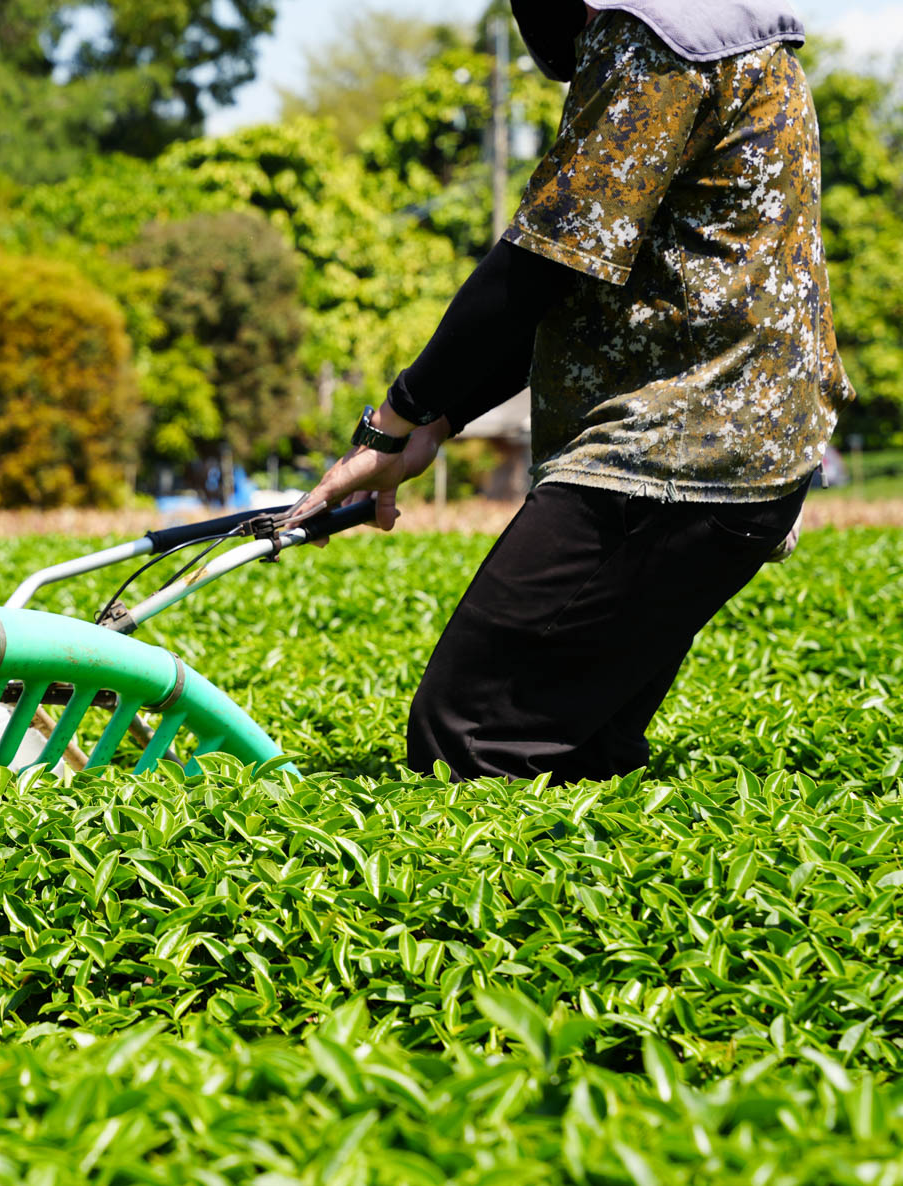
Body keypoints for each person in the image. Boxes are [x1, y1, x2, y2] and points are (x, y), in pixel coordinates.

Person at [287, 0, 852, 784]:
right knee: (575, 750)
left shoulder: (657, 35)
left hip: (679, 450)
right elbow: (579, 282)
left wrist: (396, 415)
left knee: (474, 735)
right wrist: (433, 422)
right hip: (728, 447)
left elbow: (544, 263)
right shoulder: (709, 26)